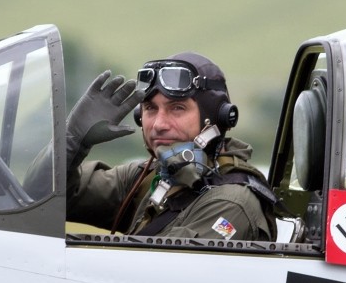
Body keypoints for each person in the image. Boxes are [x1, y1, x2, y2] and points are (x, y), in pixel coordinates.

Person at [65, 52, 276, 241]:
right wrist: (72, 140)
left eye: (177, 108)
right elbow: (51, 196)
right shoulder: (149, 178)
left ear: (215, 118)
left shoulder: (231, 204)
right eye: (150, 108)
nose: (158, 124)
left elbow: (156, 275)